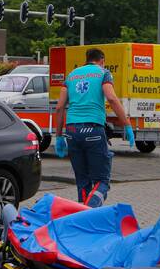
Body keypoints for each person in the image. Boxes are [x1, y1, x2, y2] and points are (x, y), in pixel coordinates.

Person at [53, 48, 134, 207]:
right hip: (93, 130)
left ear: (87, 59)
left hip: (72, 132)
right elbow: (111, 98)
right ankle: (89, 211)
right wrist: (127, 125)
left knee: (82, 182)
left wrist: (59, 136)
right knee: (102, 181)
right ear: (102, 60)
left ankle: (82, 217)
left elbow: (59, 107)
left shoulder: (71, 75)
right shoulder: (103, 73)